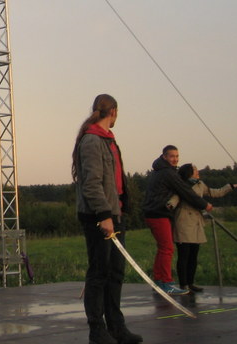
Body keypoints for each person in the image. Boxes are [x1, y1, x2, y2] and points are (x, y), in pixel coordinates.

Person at [71, 94, 142, 344]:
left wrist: (119, 210)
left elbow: (115, 180)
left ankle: (116, 327)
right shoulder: (91, 140)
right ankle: (97, 331)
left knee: (115, 273)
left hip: (115, 212)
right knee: (99, 273)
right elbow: (91, 184)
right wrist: (104, 216)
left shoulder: (108, 139)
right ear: (112, 111)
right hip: (98, 216)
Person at [142, 145, 211, 295]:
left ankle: (159, 280)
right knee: (167, 248)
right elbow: (185, 191)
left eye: (177, 156)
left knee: (163, 248)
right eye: (172, 156)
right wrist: (204, 204)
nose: (175, 159)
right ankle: (166, 283)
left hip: (154, 212)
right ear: (164, 157)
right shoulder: (167, 173)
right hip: (158, 213)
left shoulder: (161, 171)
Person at [170, 163, 237, 292]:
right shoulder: (181, 185)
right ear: (189, 172)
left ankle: (190, 283)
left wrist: (229, 187)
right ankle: (183, 284)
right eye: (195, 170)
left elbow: (214, 192)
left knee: (194, 255)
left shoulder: (201, 184)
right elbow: (175, 198)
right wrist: (170, 205)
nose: (197, 172)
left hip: (196, 222)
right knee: (184, 255)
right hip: (184, 221)